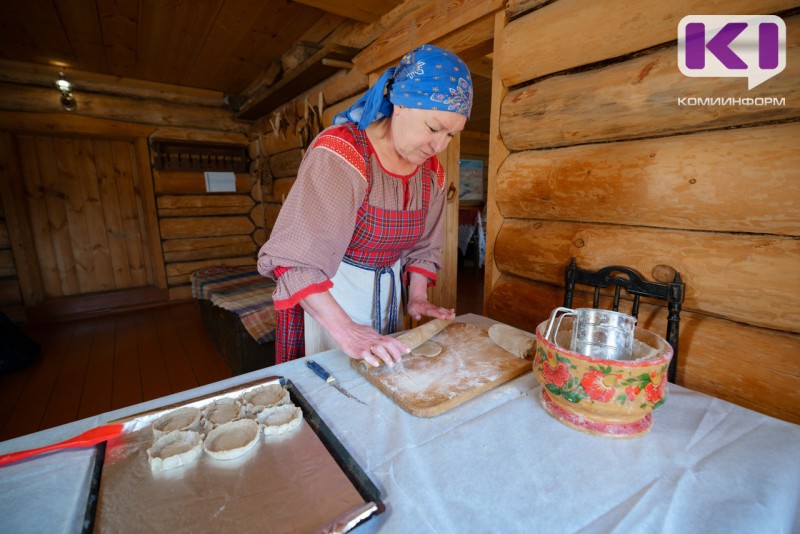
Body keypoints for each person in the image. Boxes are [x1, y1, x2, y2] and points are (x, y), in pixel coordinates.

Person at [257, 44, 473, 368]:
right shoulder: (342, 155)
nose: (439, 145)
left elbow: (425, 246)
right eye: (433, 128)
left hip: (387, 305)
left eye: (452, 135)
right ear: (401, 104)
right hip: (329, 307)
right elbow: (295, 260)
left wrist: (416, 298)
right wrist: (347, 331)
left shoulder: (431, 175)